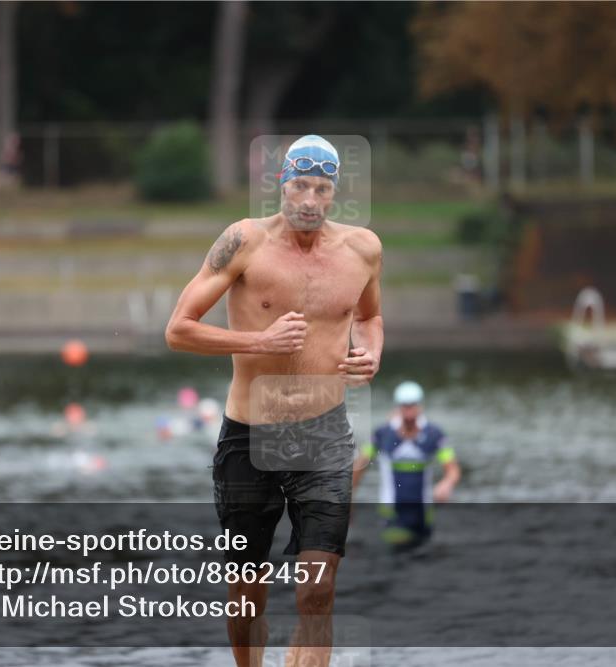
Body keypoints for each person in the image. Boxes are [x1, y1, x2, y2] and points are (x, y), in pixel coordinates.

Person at [165, 135, 383, 667]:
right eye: (300, 185)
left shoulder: (363, 249)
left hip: (325, 438)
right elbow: (178, 330)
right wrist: (258, 342)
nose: (309, 199)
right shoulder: (243, 241)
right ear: (281, 184)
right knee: (246, 590)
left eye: (321, 188)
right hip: (249, 434)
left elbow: (369, 317)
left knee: (318, 587)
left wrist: (371, 353)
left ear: (334, 193)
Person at [353, 381, 461, 549]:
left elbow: (452, 469)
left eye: (413, 405)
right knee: (398, 555)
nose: (409, 410)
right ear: (398, 407)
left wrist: (447, 483)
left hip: (423, 513)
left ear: (420, 406)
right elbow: (359, 466)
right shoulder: (383, 433)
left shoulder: (434, 434)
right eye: (405, 406)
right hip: (392, 511)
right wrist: (349, 495)